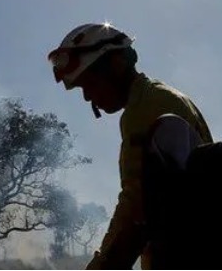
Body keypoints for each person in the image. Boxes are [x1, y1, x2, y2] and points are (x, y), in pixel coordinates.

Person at [47, 22, 213, 269]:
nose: (87, 97)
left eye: (89, 83)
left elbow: (137, 210)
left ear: (116, 64)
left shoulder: (146, 107)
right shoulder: (163, 96)